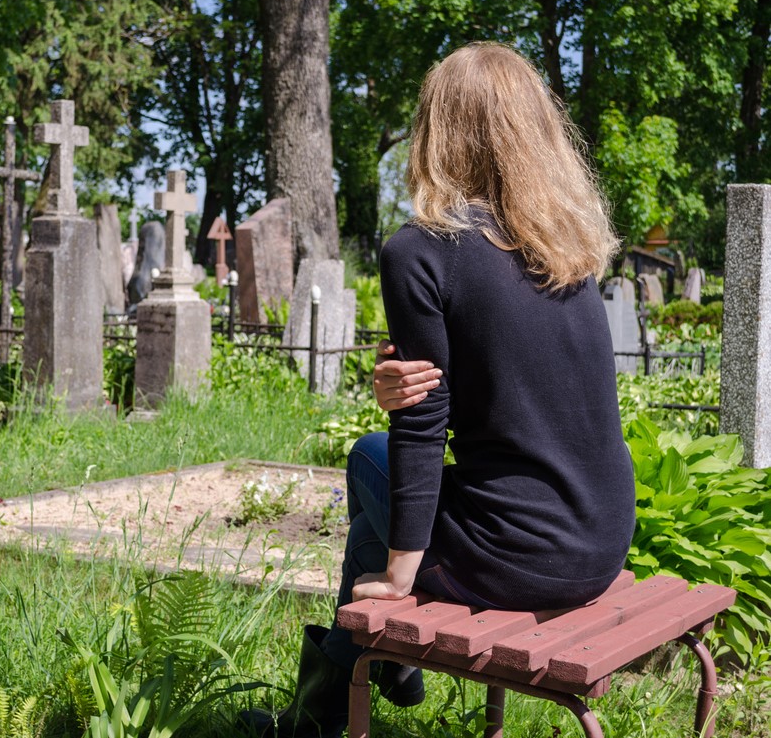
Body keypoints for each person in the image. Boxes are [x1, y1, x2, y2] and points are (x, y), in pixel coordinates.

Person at [240, 42, 635, 738]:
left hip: (524, 551)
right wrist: (409, 371)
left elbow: (423, 426)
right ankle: (353, 690)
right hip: (601, 538)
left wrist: (399, 577)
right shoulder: (566, 251)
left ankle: (328, 709)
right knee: (372, 483)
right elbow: (521, 383)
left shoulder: (419, 249)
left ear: (438, 130)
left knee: (369, 477)